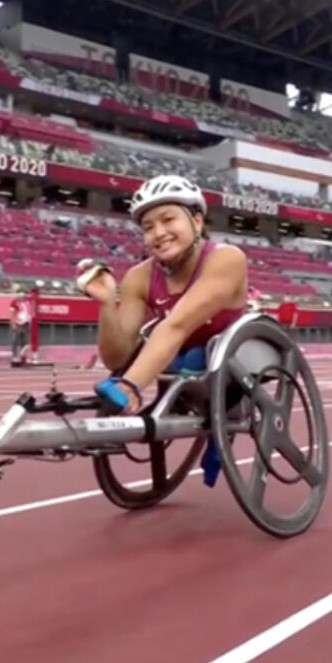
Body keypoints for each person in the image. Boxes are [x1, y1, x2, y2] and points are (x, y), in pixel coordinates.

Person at [78, 174, 247, 487]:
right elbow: (117, 357)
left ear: (197, 221)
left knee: (194, 355)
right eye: (148, 226)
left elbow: (178, 324)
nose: (158, 233)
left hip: (231, 365)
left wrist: (129, 388)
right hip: (177, 362)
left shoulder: (226, 258)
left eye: (168, 219)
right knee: (172, 356)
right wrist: (106, 304)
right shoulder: (139, 277)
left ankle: (228, 417)